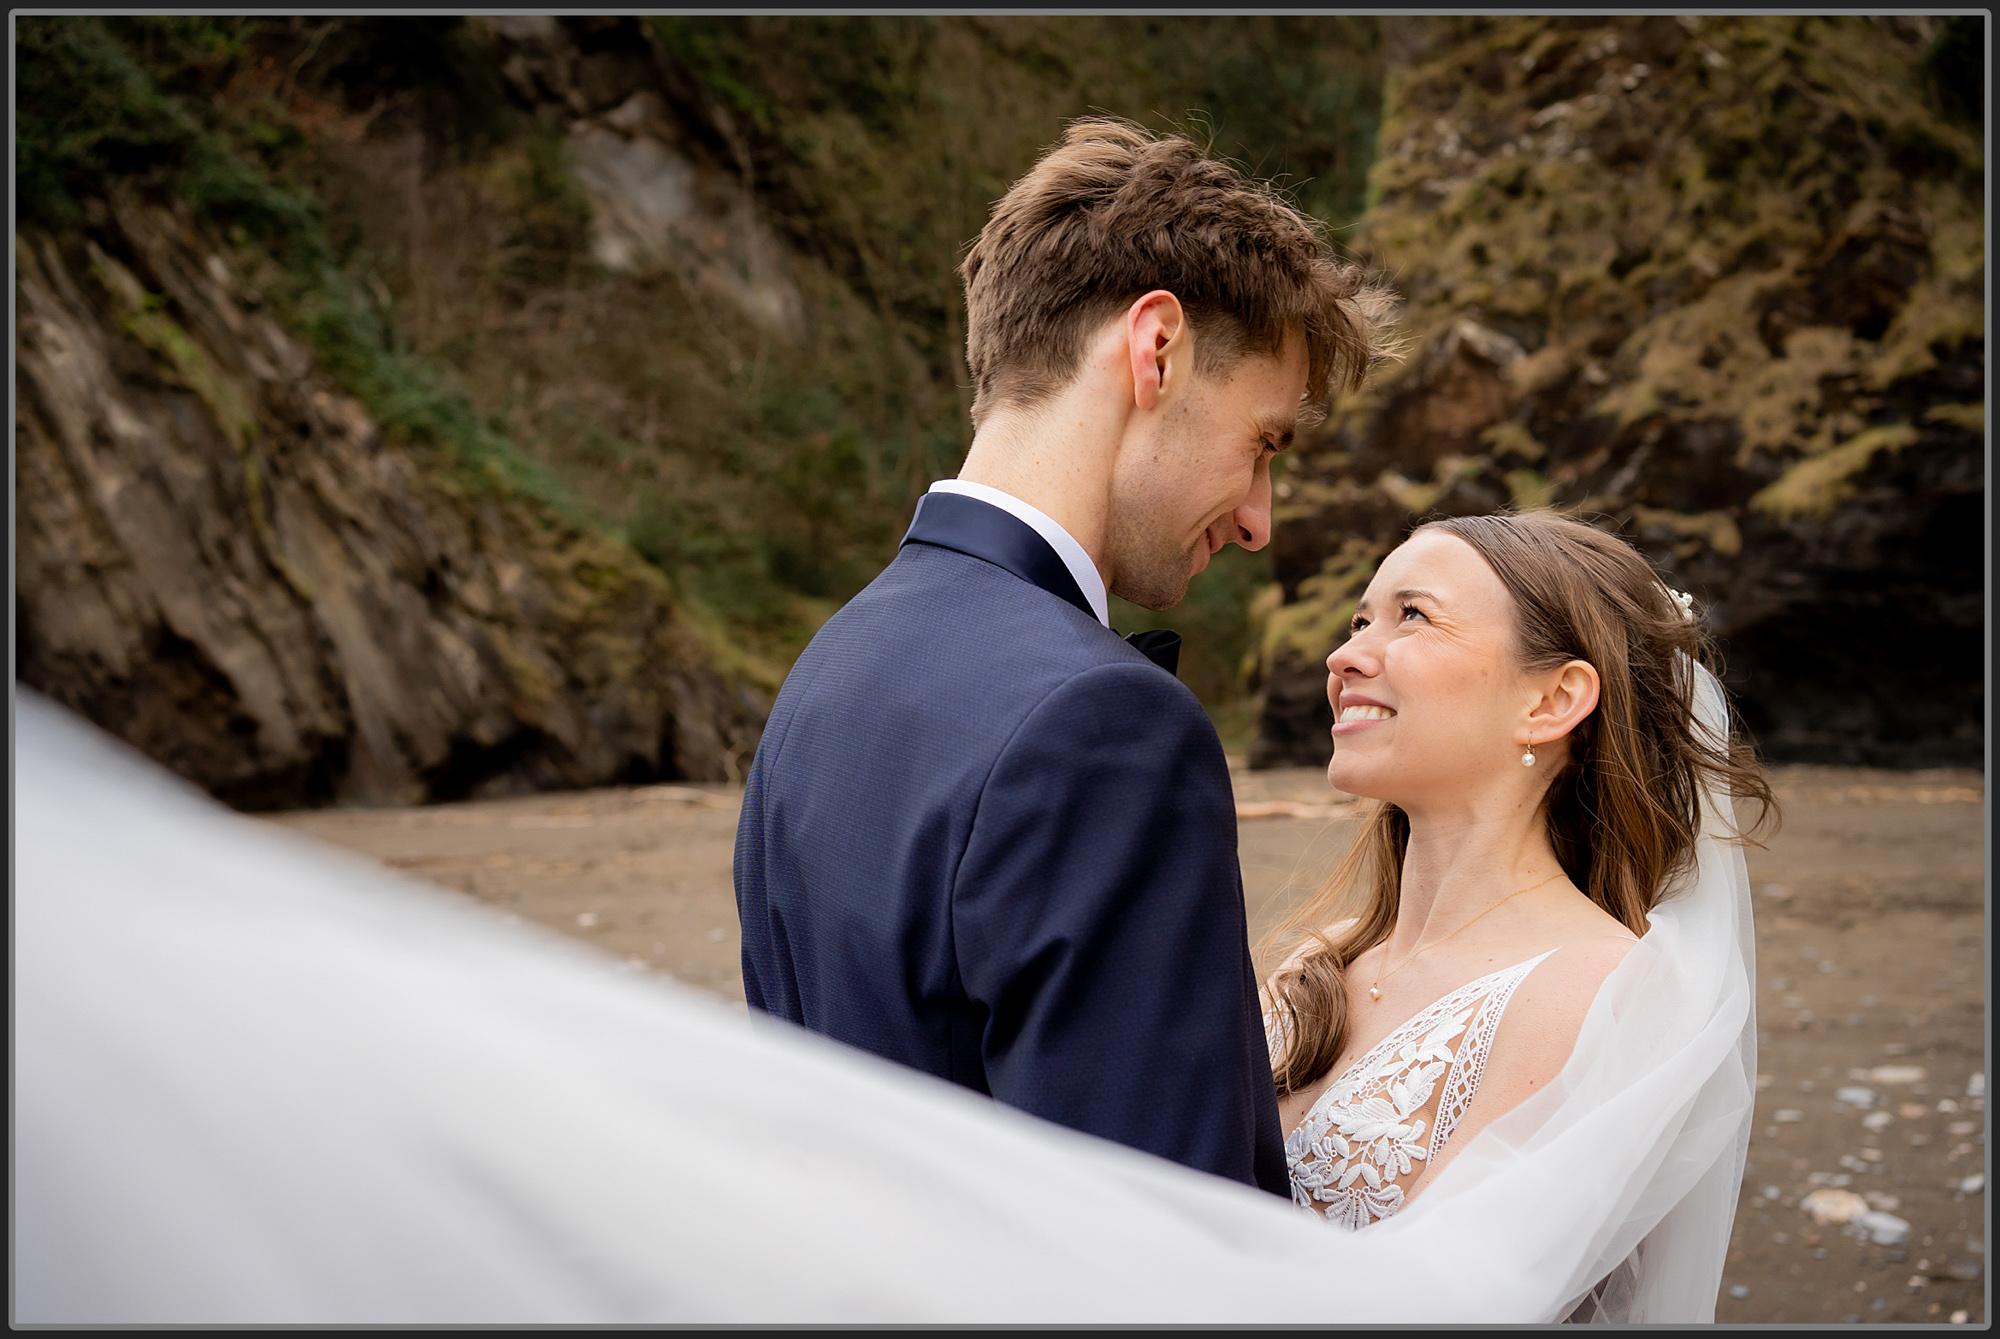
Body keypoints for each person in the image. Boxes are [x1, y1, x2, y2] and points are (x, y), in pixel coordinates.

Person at [732, 117, 1391, 1195]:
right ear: (1156, 349)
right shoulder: (1103, 724)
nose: (1261, 518)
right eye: (1263, 441)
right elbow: (1165, 1234)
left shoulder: (826, 669)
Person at [1261, 510, 1776, 1317]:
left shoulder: (1608, 990)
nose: (1345, 654)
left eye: (1413, 616)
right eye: (1360, 619)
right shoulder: (1319, 964)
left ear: (1552, 699)